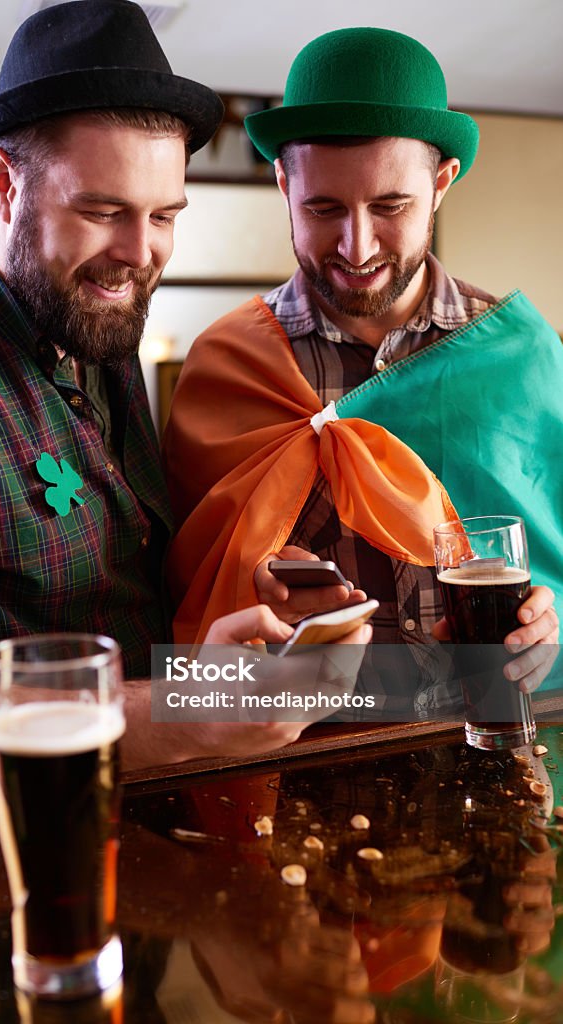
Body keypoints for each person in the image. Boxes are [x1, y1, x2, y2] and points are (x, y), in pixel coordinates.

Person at [0, 1, 372, 790]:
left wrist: (245, 582)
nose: (140, 256)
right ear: (4, 185)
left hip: (158, 805)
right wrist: (190, 706)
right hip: (12, 845)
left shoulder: (98, 319)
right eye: (102, 211)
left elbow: (125, 581)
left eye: (164, 216)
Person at [163, 27, 560, 707]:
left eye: (390, 206)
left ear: (441, 185)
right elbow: (183, 635)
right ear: (284, 184)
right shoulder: (225, 367)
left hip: (501, 740)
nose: (357, 244)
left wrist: (548, 621)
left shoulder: (521, 355)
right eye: (323, 208)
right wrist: (253, 616)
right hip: (301, 762)